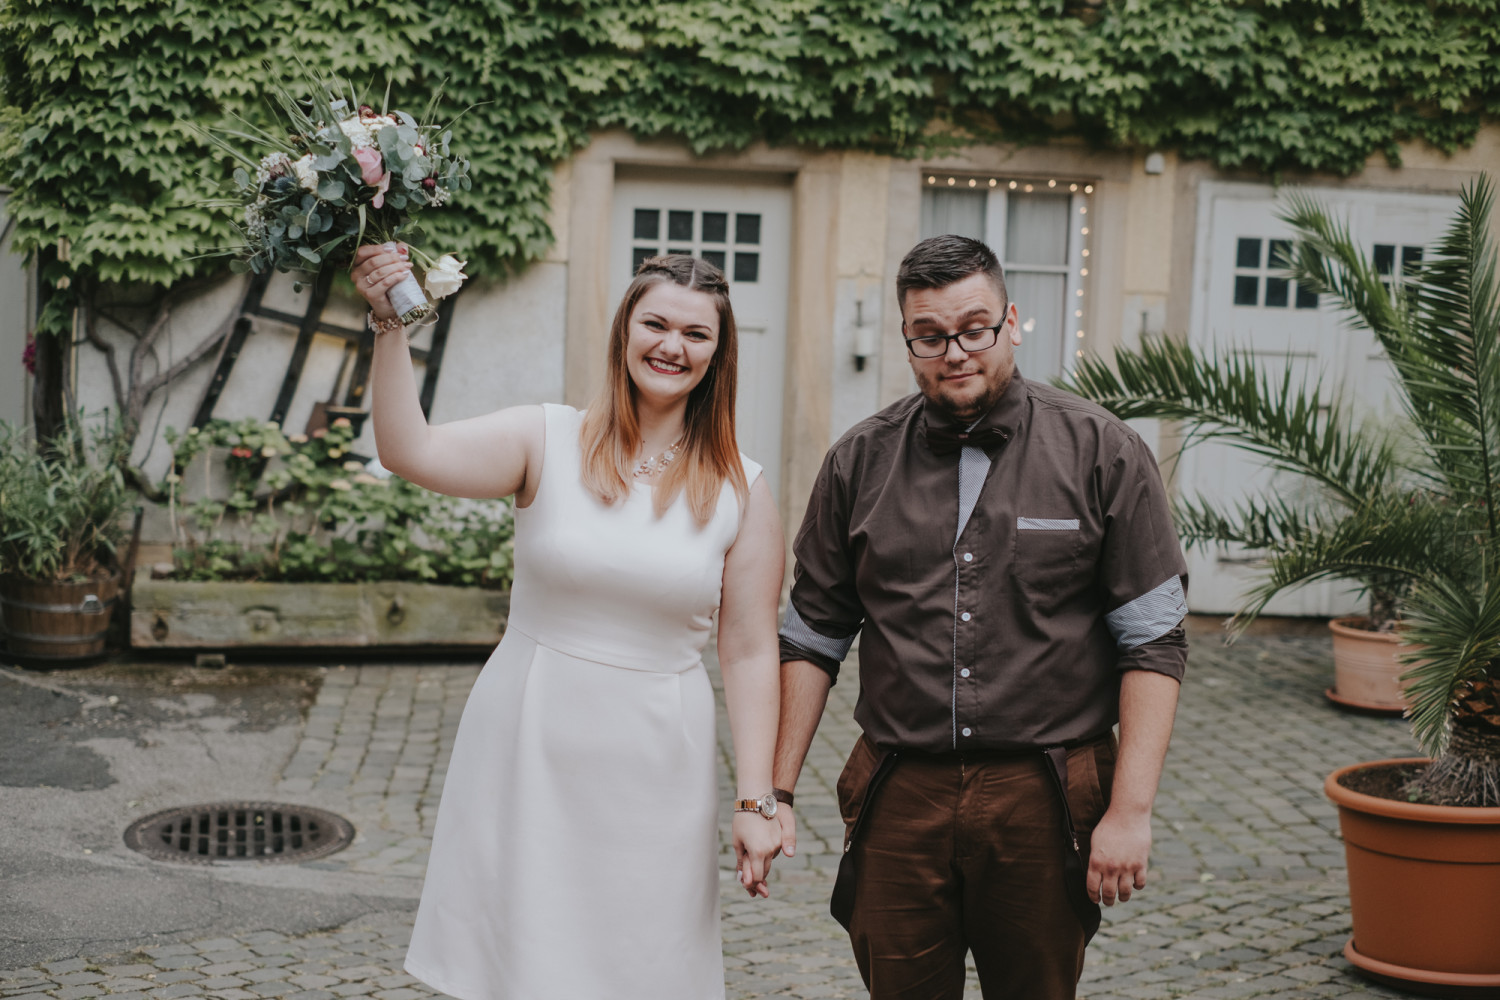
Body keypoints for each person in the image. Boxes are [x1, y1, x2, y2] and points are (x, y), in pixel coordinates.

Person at [352, 247, 785, 1000]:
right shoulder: (542, 438)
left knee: (641, 961)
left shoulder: (741, 486)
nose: (671, 347)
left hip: (657, 759)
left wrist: (756, 802)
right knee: (522, 959)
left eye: (695, 335)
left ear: (718, 354)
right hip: (528, 737)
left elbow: (749, 650)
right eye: (655, 323)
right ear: (625, 331)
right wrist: (391, 326)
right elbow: (408, 450)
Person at [770, 235, 1189, 1000]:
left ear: (1012, 322)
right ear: (907, 339)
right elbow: (811, 636)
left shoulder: (1105, 453)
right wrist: (775, 794)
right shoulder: (856, 462)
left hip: (1047, 792)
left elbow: (1153, 644)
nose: (954, 351)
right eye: (929, 336)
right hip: (899, 791)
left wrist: (1129, 811)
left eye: (974, 328)